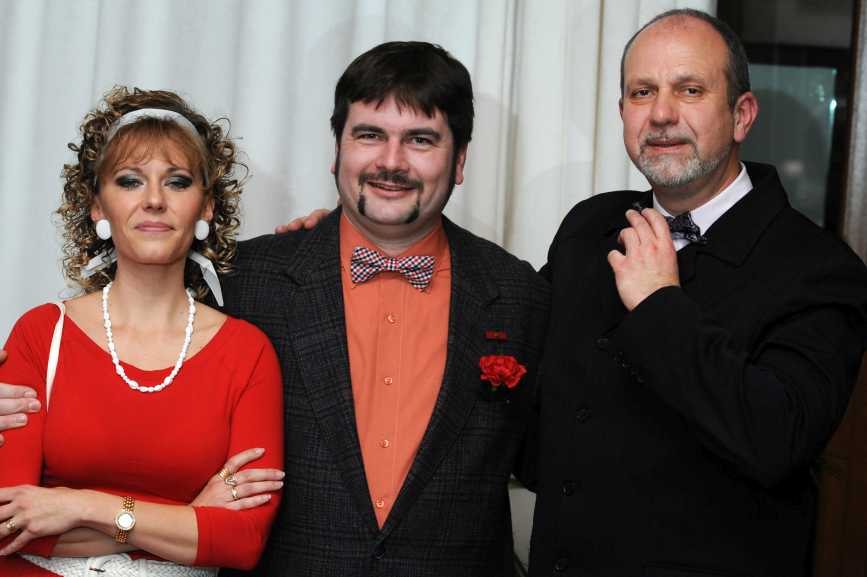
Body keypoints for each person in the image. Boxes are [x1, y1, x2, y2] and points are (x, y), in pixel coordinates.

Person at [527, 9, 867, 576]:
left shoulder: (821, 269)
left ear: (741, 115)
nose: (661, 114)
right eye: (642, 92)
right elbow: (521, 359)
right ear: (622, 112)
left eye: (690, 90)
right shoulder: (589, 227)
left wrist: (660, 305)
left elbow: (775, 442)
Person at [0, 87, 285, 576]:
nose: (154, 201)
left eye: (177, 182)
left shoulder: (247, 352)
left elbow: (242, 540)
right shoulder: (41, 334)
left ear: (206, 207)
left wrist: (80, 505)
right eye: (130, 181)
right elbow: (9, 524)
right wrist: (189, 517)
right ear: (97, 206)